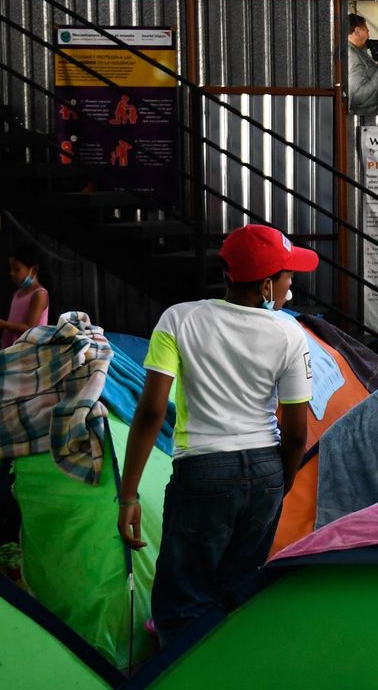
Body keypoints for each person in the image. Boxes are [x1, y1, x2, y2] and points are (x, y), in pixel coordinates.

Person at [118, 224, 316, 646]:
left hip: (203, 471)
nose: (290, 286)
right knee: (238, 596)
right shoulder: (289, 333)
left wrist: (129, 494)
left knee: (183, 603)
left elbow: (152, 409)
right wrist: (280, 484)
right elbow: (296, 432)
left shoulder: (179, 318)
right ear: (266, 285)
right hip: (265, 467)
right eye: (287, 277)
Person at [0, 245, 49, 349]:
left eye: (17, 269)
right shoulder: (17, 293)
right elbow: (12, 325)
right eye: (11, 268)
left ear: (34, 269)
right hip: (12, 349)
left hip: (28, 352)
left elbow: (31, 328)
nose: (12, 273)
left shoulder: (40, 294)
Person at [345, 14, 378, 115]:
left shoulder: (359, 51)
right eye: (366, 30)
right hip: (368, 119)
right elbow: (358, 97)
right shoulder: (351, 55)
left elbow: (367, 77)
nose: (368, 34)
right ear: (357, 31)